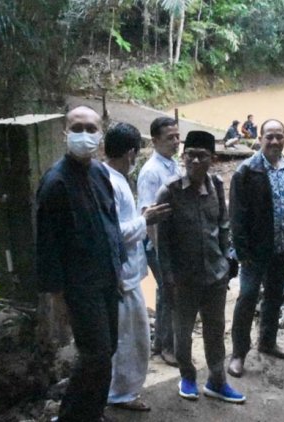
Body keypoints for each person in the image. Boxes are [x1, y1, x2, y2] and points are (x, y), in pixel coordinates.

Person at [36, 106, 125, 422]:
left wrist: (119, 271)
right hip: (80, 287)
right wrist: (58, 300)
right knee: (95, 355)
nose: (84, 135)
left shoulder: (101, 174)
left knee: (108, 350)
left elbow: (111, 226)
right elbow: (47, 247)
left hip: (106, 280)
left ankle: (93, 412)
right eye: (77, 128)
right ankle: (72, 416)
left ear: (101, 135)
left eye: (91, 128)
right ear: (65, 133)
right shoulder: (55, 183)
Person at [156, 131, 247, 404]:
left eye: (202, 155)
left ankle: (217, 381)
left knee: (215, 330)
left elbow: (223, 225)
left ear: (213, 158)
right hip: (183, 280)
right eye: (190, 154)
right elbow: (162, 244)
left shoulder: (217, 186)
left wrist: (228, 261)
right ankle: (187, 375)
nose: (195, 160)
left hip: (215, 277)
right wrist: (167, 281)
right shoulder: (169, 192)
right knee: (182, 334)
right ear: (183, 157)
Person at [227, 119, 284, 378]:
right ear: (259, 138)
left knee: (274, 296)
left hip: (280, 248)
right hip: (254, 252)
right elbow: (236, 217)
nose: (274, 141)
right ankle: (239, 353)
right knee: (247, 298)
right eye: (268, 136)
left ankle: (268, 342)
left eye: (278, 136)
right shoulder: (247, 171)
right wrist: (242, 252)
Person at [103, 123, 171, 412]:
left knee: (129, 337)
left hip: (126, 274)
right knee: (132, 340)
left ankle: (117, 390)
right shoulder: (113, 182)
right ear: (131, 153)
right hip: (122, 277)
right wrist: (147, 220)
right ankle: (121, 394)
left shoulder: (111, 177)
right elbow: (114, 233)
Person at [137, 116, 181, 367]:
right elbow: (148, 214)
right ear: (154, 141)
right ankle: (167, 347)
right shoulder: (151, 172)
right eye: (170, 138)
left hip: (170, 241)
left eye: (177, 137)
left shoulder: (172, 165)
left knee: (166, 292)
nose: (176, 142)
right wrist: (159, 250)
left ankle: (160, 342)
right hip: (157, 242)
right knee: (170, 291)